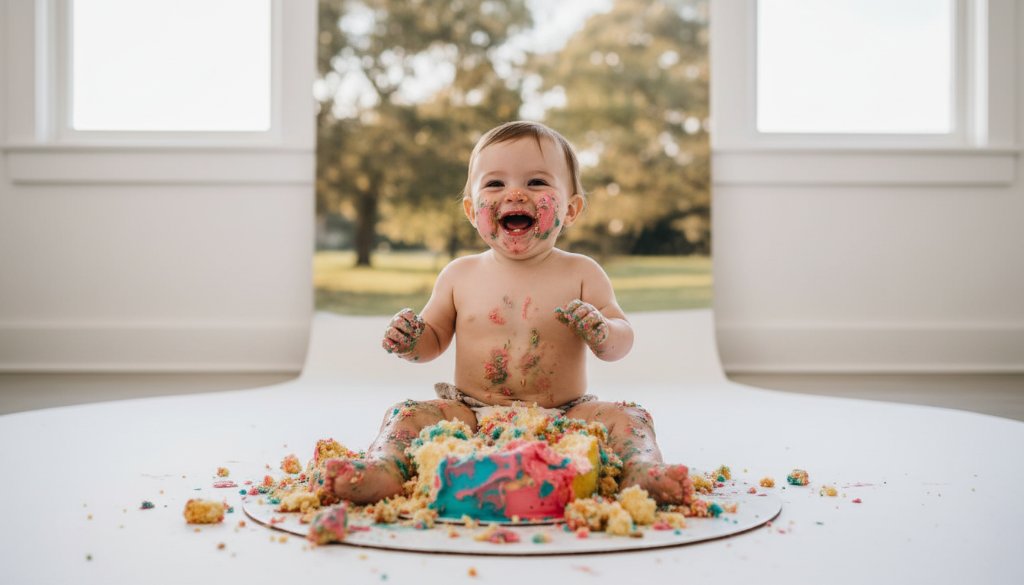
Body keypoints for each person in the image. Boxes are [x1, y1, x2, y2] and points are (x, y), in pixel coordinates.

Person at [323, 121, 694, 507]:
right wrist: (411, 341)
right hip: (468, 415)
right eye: (495, 184)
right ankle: (383, 467)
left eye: (536, 182)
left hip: (564, 416)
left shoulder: (582, 273)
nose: (515, 193)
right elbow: (431, 342)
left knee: (630, 418)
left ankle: (641, 470)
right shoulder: (458, 275)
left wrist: (603, 332)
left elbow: (621, 340)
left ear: (572, 208)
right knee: (405, 415)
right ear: (471, 210)